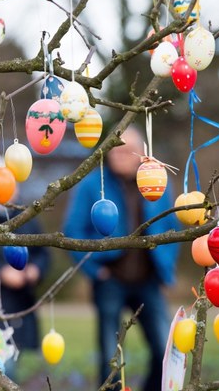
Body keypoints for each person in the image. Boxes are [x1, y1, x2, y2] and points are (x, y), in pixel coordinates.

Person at [63, 127, 180, 391]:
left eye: (129, 150)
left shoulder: (157, 180)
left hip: (149, 279)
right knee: (109, 355)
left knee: (164, 348)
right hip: (110, 279)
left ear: (142, 153)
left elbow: (172, 228)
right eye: (117, 149)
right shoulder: (93, 184)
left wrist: (166, 266)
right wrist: (95, 270)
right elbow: (72, 232)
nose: (122, 155)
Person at [0, 204, 50, 382]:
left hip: (21, 306)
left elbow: (42, 252)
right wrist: (1, 273)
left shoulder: (26, 215)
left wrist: (36, 269)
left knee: (13, 364)